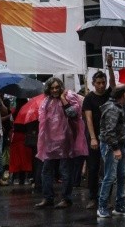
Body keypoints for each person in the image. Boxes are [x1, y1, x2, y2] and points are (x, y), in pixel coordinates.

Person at [35, 77, 88, 209]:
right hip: (50, 142)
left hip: (65, 140)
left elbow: (74, 114)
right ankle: (48, 198)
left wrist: (64, 100)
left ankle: (66, 198)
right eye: (52, 88)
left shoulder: (69, 96)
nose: (54, 90)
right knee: (46, 170)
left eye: (57, 87)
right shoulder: (46, 101)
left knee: (65, 171)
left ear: (61, 87)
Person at [82, 55, 117, 209]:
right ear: (93, 84)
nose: (101, 86)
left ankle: (106, 198)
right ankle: (92, 197)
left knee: (107, 169)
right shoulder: (89, 98)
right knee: (94, 168)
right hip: (95, 138)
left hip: (109, 138)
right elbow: (88, 119)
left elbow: (114, 85)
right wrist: (93, 138)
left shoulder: (110, 94)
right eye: (98, 83)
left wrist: (109, 66)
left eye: (103, 83)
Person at [97, 85, 125, 218]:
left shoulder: (115, 107)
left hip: (117, 145)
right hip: (113, 146)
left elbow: (112, 127)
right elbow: (109, 131)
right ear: (124, 95)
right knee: (110, 176)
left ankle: (120, 205)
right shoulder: (113, 108)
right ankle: (102, 206)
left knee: (121, 175)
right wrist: (116, 148)